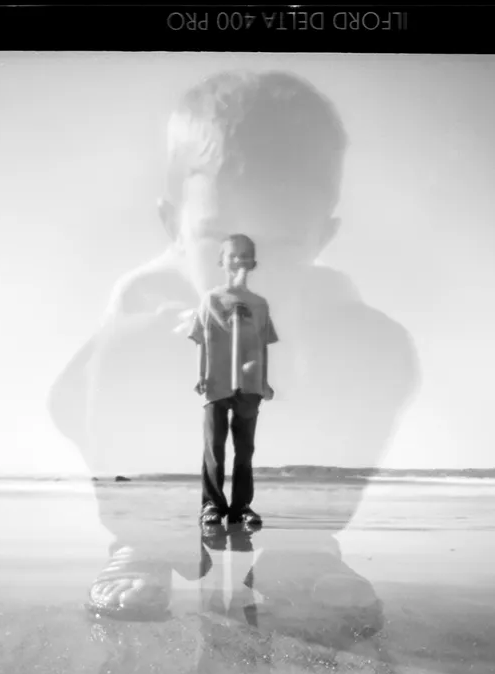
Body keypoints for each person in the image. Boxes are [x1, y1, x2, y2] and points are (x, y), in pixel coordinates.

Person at [51, 69, 419, 625]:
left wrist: (303, 361)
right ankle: (144, 543)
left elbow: (385, 370)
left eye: (280, 243)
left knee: (379, 345)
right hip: (172, 434)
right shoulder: (146, 298)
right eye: (219, 237)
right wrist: (138, 502)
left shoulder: (337, 309)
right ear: (174, 224)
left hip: (271, 427)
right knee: (125, 350)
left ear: (322, 237)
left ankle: (304, 545)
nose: (246, 265)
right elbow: (68, 399)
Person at [186, 234, 277, 528]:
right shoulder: (211, 299)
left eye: (244, 255)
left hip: (250, 385)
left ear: (254, 262)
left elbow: (262, 345)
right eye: (232, 255)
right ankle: (212, 504)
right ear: (221, 260)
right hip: (217, 382)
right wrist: (200, 375)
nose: (238, 260)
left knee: (245, 449)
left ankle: (241, 507)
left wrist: (265, 381)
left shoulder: (260, 304)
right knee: (214, 447)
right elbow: (201, 338)